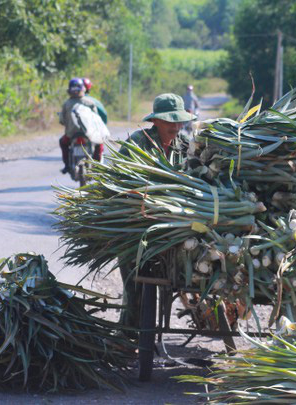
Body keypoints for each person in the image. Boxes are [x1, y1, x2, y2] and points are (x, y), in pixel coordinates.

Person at [118, 93, 195, 329]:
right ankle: (129, 332)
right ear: (156, 121)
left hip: (177, 220)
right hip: (138, 219)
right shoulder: (137, 143)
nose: (175, 126)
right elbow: (121, 179)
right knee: (133, 275)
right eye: (169, 121)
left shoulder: (185, 145)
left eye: (178, 121)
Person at [58, 78, 102, 173]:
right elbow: (96, 120)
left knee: (62, 142)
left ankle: (67, 165)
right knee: (99, 143)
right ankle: (97, 167)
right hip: (88, 135)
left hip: (71, 135)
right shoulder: (90, 103)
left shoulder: (66, 104)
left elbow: (62, 120)